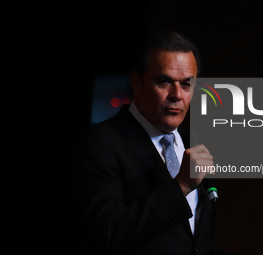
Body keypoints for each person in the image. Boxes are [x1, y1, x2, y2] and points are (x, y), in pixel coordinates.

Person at [67, 31, 232, 255]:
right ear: (137, 82)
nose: (177, 95)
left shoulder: (192, 142)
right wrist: (181, 185)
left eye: (186, 84)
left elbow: (193, 243)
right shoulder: (99, 143)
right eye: (164, 82)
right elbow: (106, 233)